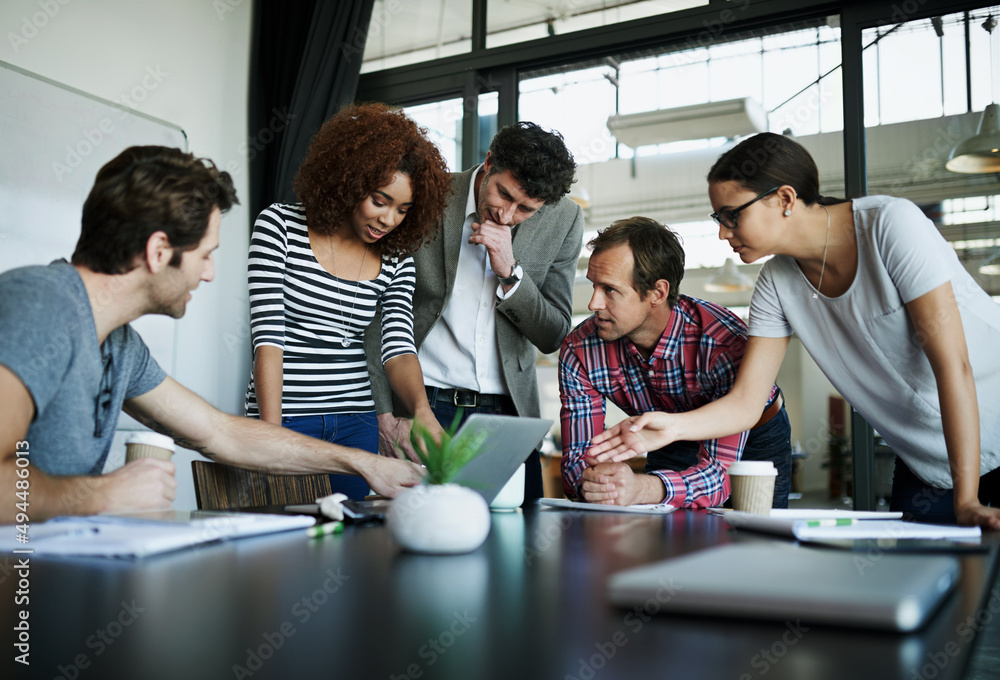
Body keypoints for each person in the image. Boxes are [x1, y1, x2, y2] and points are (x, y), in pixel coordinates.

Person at [590, 132, 1000, 529]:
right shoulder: (776, 283)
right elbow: (747, 403)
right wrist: (672, 425)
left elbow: (953, 365)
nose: (722, 231)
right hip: (928, 462)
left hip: (989, 428)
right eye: (719, 218)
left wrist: (967, 499)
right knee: (930, 589)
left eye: (733, 215)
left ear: (785, 199)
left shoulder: (890, 226)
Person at [0, 145, 424, 523]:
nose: (209, 273)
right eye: (205, 255)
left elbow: (219, 432)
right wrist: (101, 494)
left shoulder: (120, 346)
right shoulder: (42, 305)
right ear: (159, 251)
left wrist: (365, 464)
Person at [366, 121, 584, 503]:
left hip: (508, 414)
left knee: (517, 541)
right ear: (488, 163)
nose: (507, 214)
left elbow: (553, 335)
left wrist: (511, 273)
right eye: (504, 194)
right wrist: (383, 414)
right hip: (425, 405)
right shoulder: (427, 195)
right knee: (423, 531)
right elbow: (375, 310)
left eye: (526, 209)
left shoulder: (565, 220)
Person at [245, 103, 450, 500]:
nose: (389, 219)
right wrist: (269, 435)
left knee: (354, 542)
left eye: (403, 210)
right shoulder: (280, 226)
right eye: (380, 200)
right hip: (286, 417)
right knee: (285, 542)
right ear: (350, 181)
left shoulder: (396, 257)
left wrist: (422, 411)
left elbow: (398, 347)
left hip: (355, 421)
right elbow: (267, 339)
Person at [560, 217, 791, 509]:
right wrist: (598, 483)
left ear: (657, 293)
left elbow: (718, 478)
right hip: (660, 436)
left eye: (610, 290)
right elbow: (577, 461)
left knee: (758, 539)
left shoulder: (724, 345)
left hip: (754, 433)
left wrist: (640, 489)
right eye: (594, 286)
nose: (593, 304)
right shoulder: (579, 350)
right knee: (664, 535)